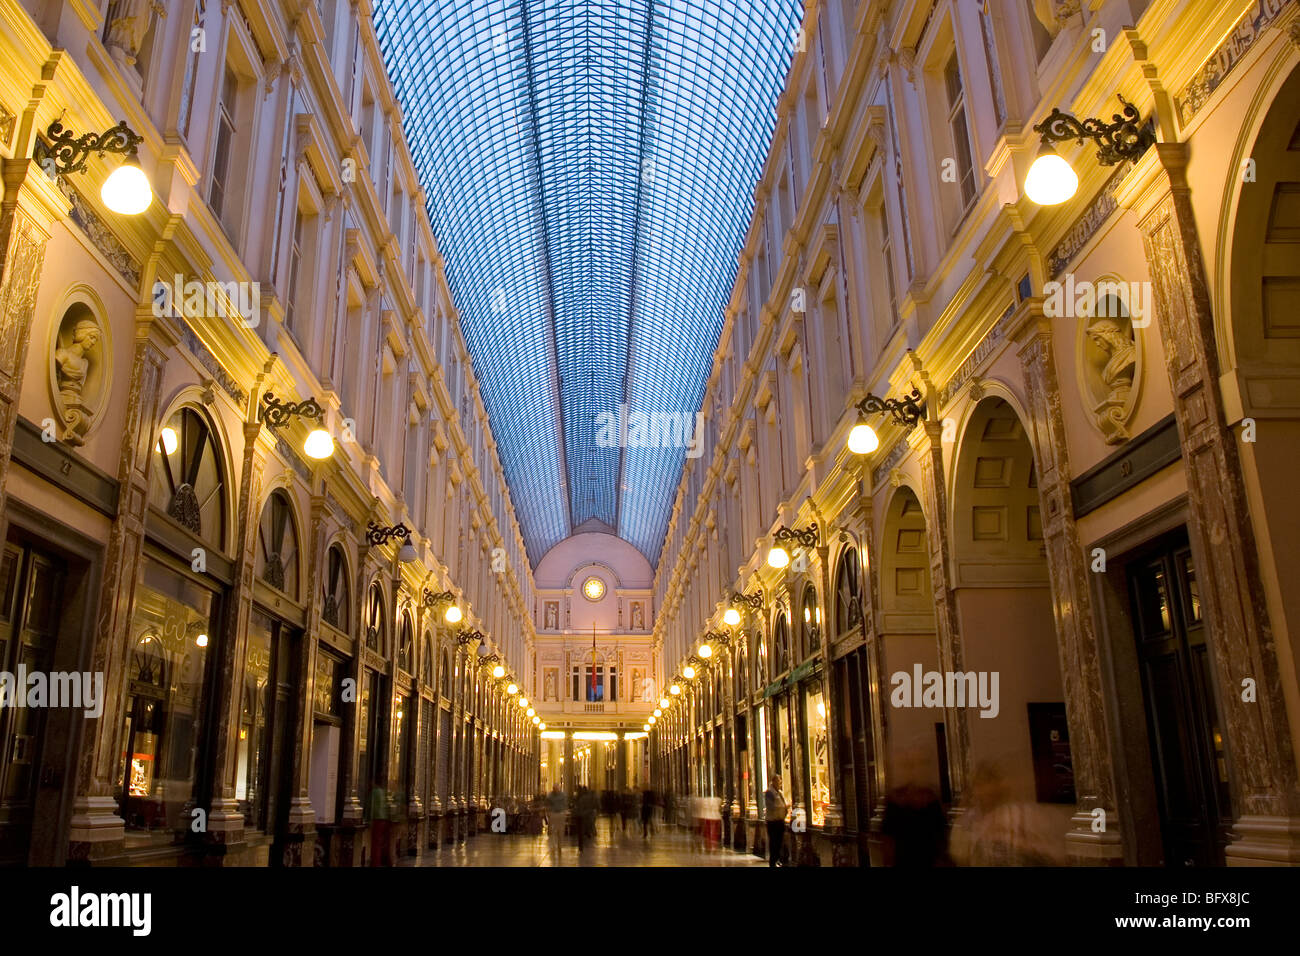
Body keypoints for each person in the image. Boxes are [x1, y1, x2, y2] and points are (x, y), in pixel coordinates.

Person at [764, 776, 788, 867]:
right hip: (772, 822)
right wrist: (784, 807)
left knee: (779, 842)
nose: (780, 783)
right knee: (774, 842)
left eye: (781, 781)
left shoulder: (780, 792)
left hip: (780, 821)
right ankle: (773, 861)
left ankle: (778, 859)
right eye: (779, 781)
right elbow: (771, 806)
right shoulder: (769, 793)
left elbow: (783, 803)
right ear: (773, 782)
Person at [546, 785, 569, 859]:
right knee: (553, 831)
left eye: (557, 788)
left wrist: (565, 812)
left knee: (561, 831)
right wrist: (549, 812)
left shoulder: (563, 795)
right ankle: (553, 845)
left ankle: (559, 845)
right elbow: (547, 804)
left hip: (560, 814)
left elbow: (565, 804)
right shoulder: (550, 796)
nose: (556, 790)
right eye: (555, 788)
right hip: (553, 814)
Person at [575, 785, 599, 852]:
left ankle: (581, 845)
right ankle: (589, 834)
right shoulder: (588, 797)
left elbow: (578, 807)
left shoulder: (579, 798)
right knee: (587, 826)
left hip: (581, 815)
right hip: (587, 814)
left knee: (581, 830)